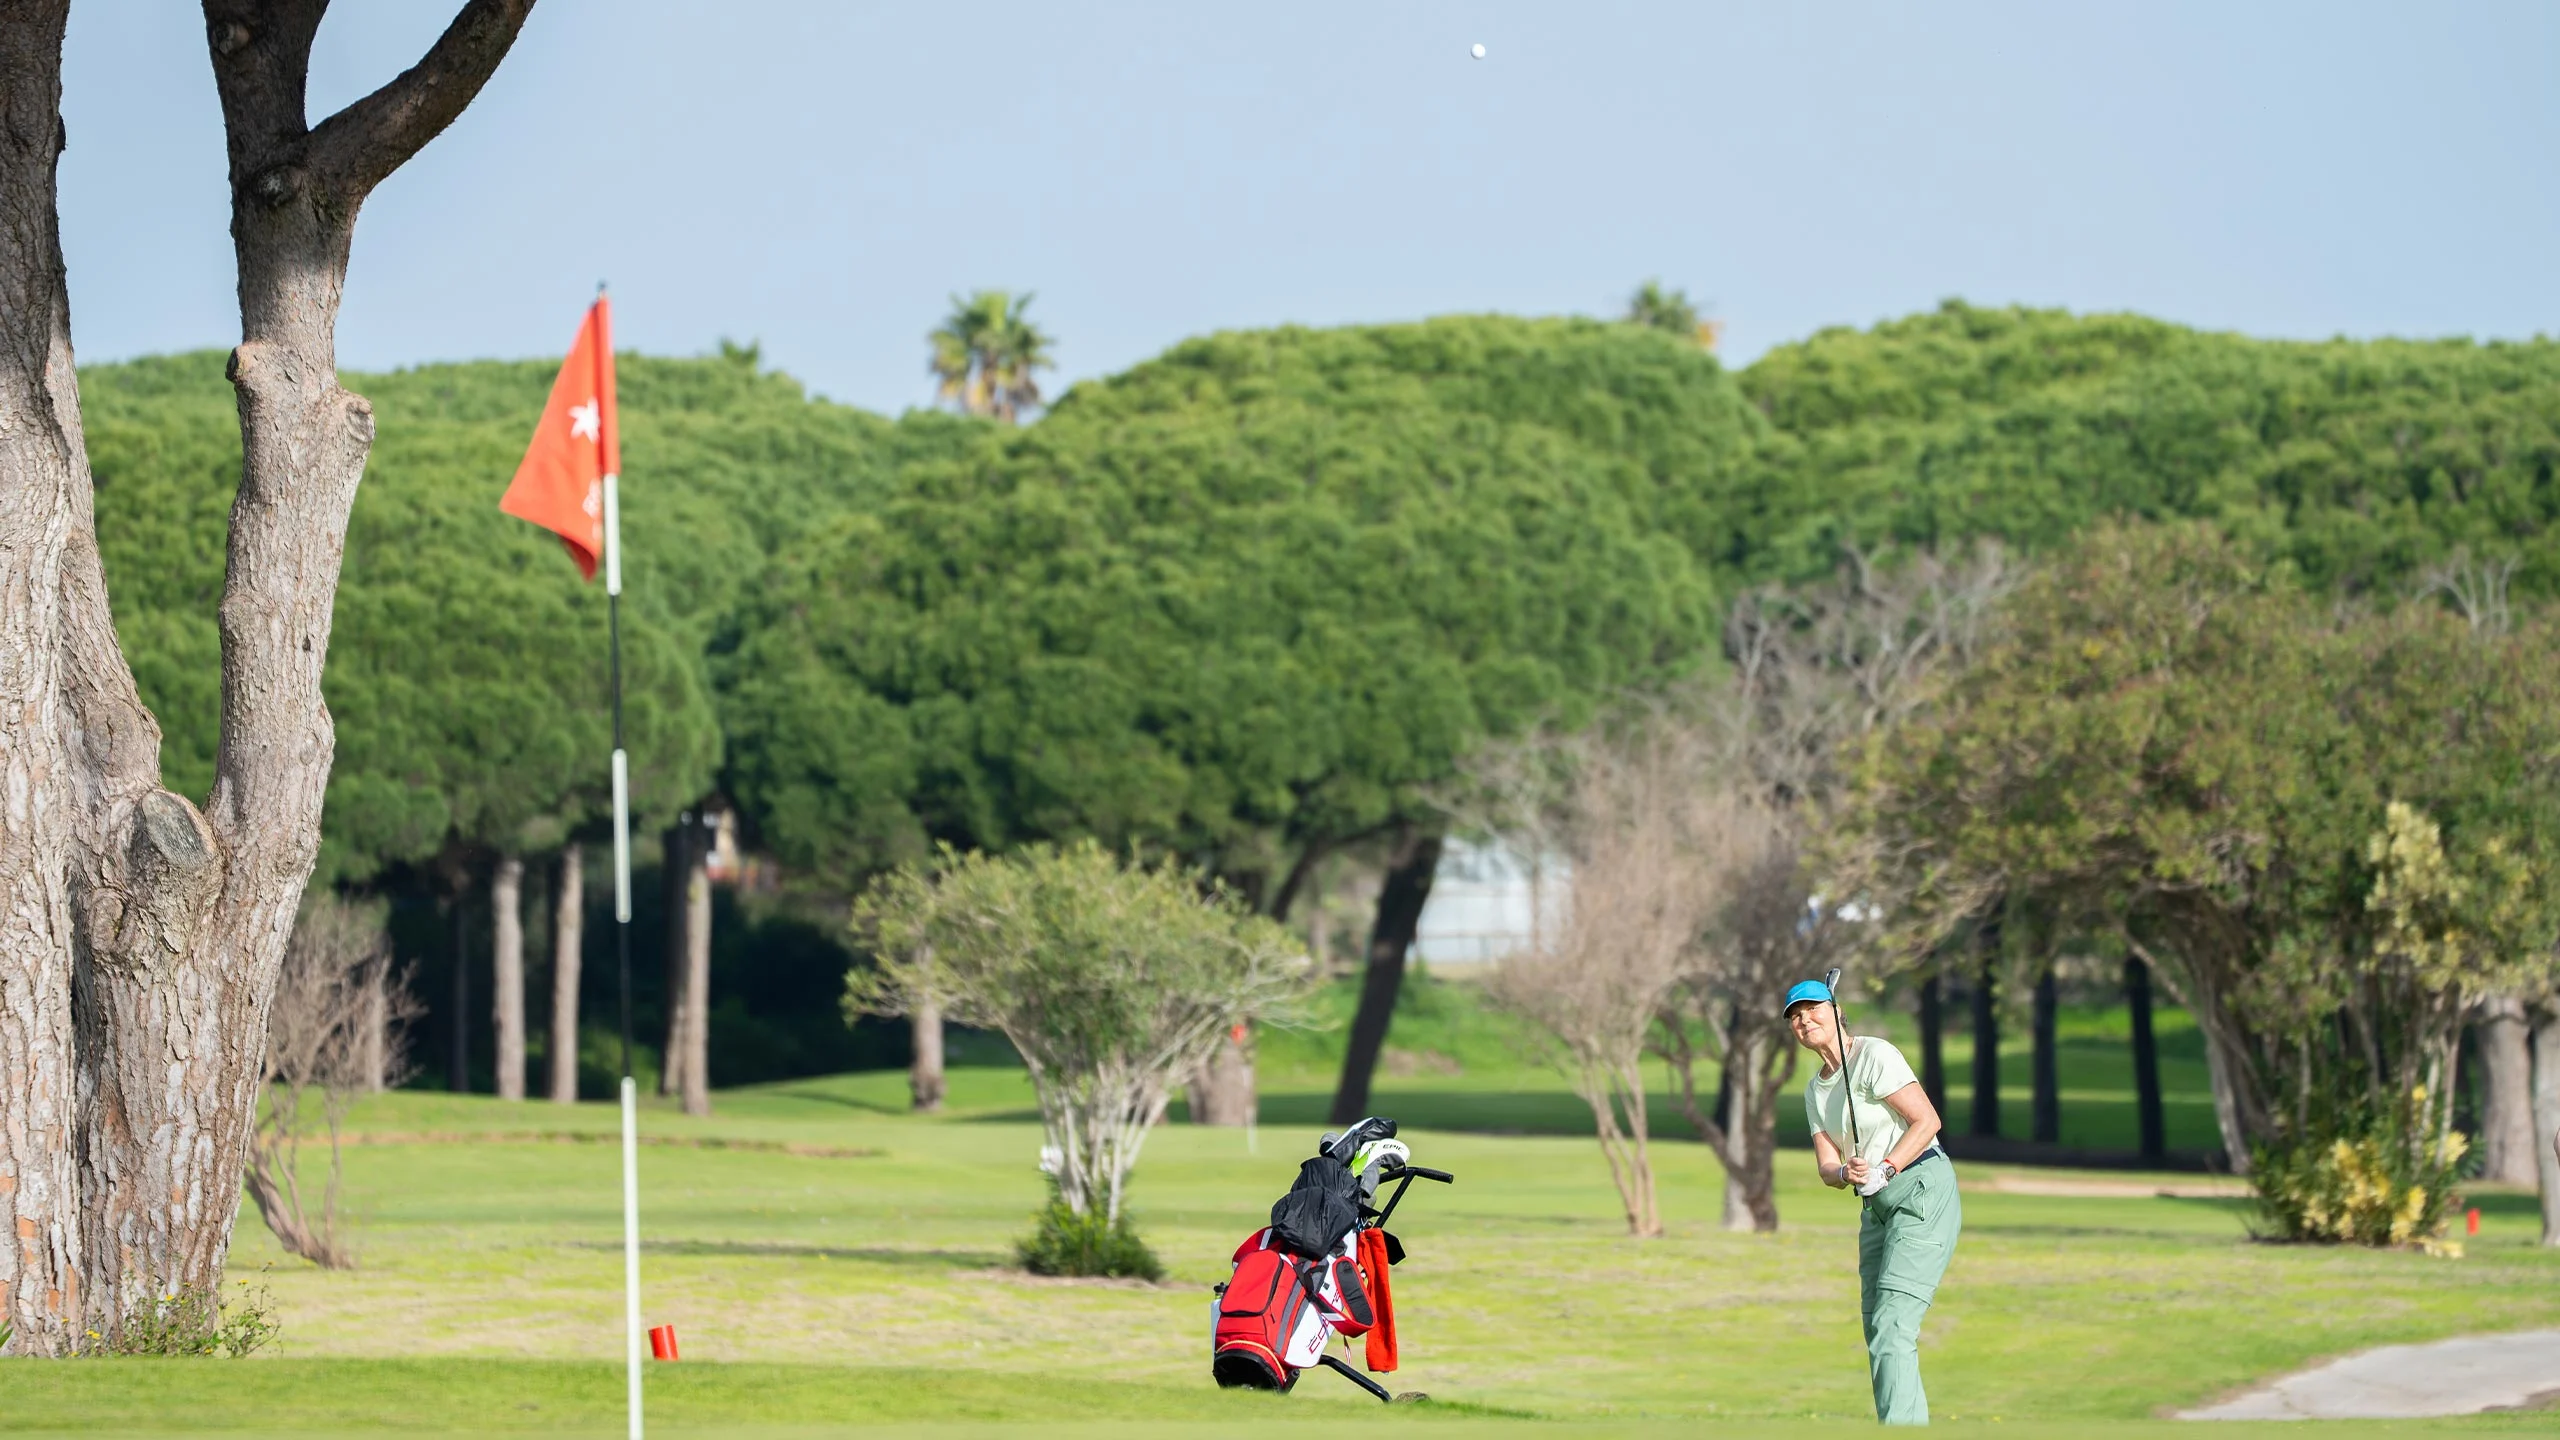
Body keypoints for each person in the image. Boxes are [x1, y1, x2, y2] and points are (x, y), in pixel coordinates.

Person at [1787, 978, 1960, 1426]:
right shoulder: (1815, 1090)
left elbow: (1926, 1120)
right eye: (1795, 1015)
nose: (1805, 1019)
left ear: (1836, 1009)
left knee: (1892, 1328)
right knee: (1878, 1330)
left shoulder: (1875, 1055)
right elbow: (1828, 1165)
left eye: (1813, 1008)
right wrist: (1846, 1172)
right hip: (1875, 1209)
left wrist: (1886, 1166)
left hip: (1920, 1189)